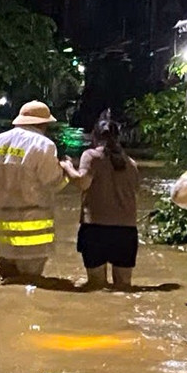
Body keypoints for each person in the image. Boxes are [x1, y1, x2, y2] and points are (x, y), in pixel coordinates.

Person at [0, 100, 66, 282]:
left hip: (3, 230)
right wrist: (66, 170)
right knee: (31, 282)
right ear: (43, 124)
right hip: (34, 233)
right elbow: (54, 182)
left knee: (8, 277)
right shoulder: (44, 146)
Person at [64, 111, 141, 291]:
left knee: (96, 288)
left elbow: (83, 183)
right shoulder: (131, 163)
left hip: (95, 229)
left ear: (94, 136)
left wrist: (67, 167)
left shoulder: (91, 156)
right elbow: (135, 193)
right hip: (126, 232)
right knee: (123, 288)